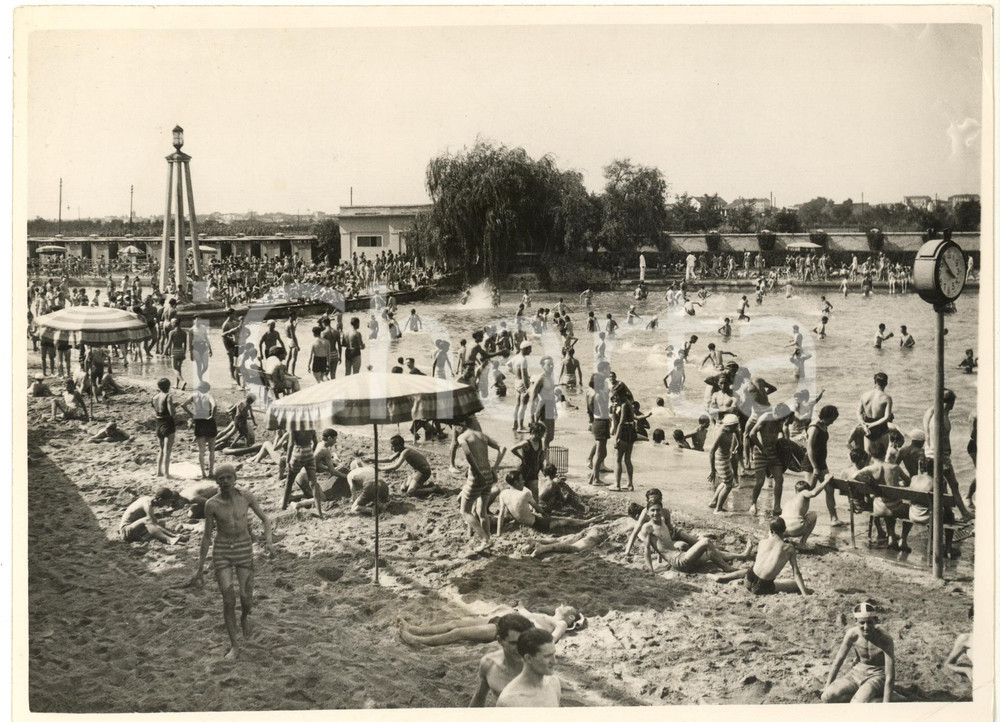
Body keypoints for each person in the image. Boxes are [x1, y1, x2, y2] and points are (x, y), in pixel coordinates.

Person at [189, 464, 275, 659]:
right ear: (216, 481)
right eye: (221, 478)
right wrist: (200, 567)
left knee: (247, 600)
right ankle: (234, 646)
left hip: (244, 550)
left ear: (235, 479)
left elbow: (265, 519)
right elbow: (206, 536)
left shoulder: (246, 497)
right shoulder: (211, 504)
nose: (225, 481)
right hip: (222, 552)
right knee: (228, 600)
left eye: (229, 477)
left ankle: (244, 617)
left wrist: (268, 541)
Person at [637, 498, 751, 574]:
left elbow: (662, 544)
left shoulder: (662, 521)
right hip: (679, 562)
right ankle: (728, 568)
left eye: (658, 510)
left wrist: (662, 562)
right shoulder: (648, 527)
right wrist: (651, 571)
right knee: (705, 541)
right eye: (652, 510)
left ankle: (742, 555)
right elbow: (647, 550)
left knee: (713, 552)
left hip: (682, 556)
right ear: (647, 512)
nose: (655, 513)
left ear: (662, 511)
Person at [710, 517, 809, 595]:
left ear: (771, 531)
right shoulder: (789, 548)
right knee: (794, 584)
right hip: (762, 587)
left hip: (749, 579)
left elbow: (770, 547)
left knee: (747, 570)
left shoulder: (762, 542)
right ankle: (804, 593)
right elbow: (796, 573)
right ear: (784, 530)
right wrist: (804, 593)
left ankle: (722, 578)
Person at [401, 605, 582, 647]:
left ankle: (418, 640)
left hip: (512, 628)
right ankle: (417, 630)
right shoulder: (548, 616)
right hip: (505, 618)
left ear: (571, 616)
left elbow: (551, 639)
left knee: (458, 632)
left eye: (566, 606)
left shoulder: (561, 623)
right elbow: (527, 615)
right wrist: (522, 607)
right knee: (454, 623)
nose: (562, 604)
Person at [821, 601, 895, 703]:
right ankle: (865, 697)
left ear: (876, 620)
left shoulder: (884, 639)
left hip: (876, 675)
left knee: (857, 704)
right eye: (862, 623)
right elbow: (838, 661)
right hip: (856, 673)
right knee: (827, 697)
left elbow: (890, 675)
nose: (866, 627)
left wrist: (886, 704)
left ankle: (879, 700)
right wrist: (827, 685)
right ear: (856, 621)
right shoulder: (852, 634)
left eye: (869, 622)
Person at [497, 470, 609, 535]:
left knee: (549, 517)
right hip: (538, 525)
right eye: (521, 480)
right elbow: (538, 508)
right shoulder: (525, 493)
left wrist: (498, 533)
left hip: (521, 521)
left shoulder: (503, 493)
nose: (524, 481)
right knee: (566, 521)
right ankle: (589, 521)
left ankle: (496, 533)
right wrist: (545, 514)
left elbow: (501, 515)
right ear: (516, 482)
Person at [455, 419, 506, 552]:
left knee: (465, 511)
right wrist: (495, 467)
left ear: (461, 426)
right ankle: (487, 543)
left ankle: (485, 539)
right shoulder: (482, 436)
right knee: (482, 512)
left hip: (476, 478)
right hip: (489, 475)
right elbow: (503, 448)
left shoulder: (462, 437)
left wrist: (477, 472)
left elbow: (467, 453)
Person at [923, 389, 973, 521]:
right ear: (949, 403)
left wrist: (927, 437)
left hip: (930, 455)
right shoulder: (942, 420)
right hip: (940, 458)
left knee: (941, 486)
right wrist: (945, 460)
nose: (953, 406)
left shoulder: (932, 413)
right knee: (954, 485)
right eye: (952, 402)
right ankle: (964, 513)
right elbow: (940, 442)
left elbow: (927, 419)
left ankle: (952, 512)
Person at [470, 613, 535, 707]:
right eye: (514, 643)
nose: (520, 648)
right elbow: (479, 697)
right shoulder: (489, 664)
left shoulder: (538, 669)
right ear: (500, 640)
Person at [496, 628, 562, 708]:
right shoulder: (509, 700)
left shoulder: (553, 682)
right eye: (547, 656)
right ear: (528, 658)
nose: (555, 661)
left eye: (553, 654)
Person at [746, 404, 790, 517]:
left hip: (774, 452)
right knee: (760, 481)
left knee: (779, 479)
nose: (780, 420)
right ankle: (753, 504)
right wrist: (762, 448)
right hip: (760, 452)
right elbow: (752, 434)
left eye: (782, 418)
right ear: (775, 412)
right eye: (779, 417)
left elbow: (784, 437)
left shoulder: (781, 420)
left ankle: (777, 506)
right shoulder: (766, 417)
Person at [118, 487, 185, 545]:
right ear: (159, 499)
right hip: (126, 531)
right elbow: (154, 523)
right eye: (167, 501)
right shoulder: (147, 505)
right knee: (148, 520)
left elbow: (154, 522)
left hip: (134, 528)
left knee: (162, 523)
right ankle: (169, 540)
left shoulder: (149, 499)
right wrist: (173, 535)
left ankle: (144, 537)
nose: (167, 504)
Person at [281, 428, 324, 519]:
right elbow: (315, 442)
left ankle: (284, 506)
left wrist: (288, 461)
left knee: (289, 481)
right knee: (313, 484)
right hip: (309, 454)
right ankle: (319, 512)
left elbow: (291, 444)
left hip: (297, 454)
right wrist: (311, 451)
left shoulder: (295, 428)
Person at [180, 381, 218, 478]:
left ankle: (203, 474)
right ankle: (210, 472)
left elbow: (183, 405)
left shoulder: (194, 395)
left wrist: (191, 414)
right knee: (211, 450)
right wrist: (212, 416)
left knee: (201, 451)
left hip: (199, 420)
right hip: (208, 420)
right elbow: (214, 406)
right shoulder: (208, 395)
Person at [708, 415, 740, 513]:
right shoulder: (721, 434)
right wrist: (712, 470)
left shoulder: (731, 430)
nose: (736, 428)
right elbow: (711, 451)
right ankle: (718, 509)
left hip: (725, 458)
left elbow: (737, 435)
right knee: (728, 485)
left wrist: (738, 444)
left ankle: (713, 502)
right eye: (734, 426)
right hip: (720, 460)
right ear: (728, 426)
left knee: (725, 481)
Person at [858, 373, 893, 461]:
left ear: (875, 382)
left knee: (867, 456)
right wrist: (873, 425)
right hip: (881, 428)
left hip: (867, 428)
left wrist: (864, 425)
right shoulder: (887, 398)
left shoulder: (865, 395)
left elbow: (858, 413)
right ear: (886, 383)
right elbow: (886, 417)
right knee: (882, 457)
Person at [610, 383, 637, 492]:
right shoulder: (628, 403)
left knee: (618, 459)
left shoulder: (624, 405)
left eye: (615, 395)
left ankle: (617, 484)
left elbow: (621, 423)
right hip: (631, 431)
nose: (614, 397)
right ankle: (629, 484)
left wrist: (616, 438)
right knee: (627, 459)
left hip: (624, 431)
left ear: (618, 394)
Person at [151, 378, 177, 478]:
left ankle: (159, 472)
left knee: (161, 450)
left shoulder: (155, 397)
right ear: (169, 386)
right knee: (168, 450)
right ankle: (166, 473)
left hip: (158, 422)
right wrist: (175, 407)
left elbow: (158, 409)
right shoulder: (168, 396)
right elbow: (172, 413)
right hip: (167, 423)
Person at [511, 341, 532, 432]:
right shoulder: (523, 360)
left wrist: (516, 374)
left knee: (517, 404)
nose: (531, 351)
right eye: (530, 349)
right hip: (522, 383)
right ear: (525, 349)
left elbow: (508, 367)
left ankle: (514, 425)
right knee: (523, 405)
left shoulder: (515, 357)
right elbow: (524, 376)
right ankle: (520, 427)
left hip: (516, 382)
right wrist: (528, 389)